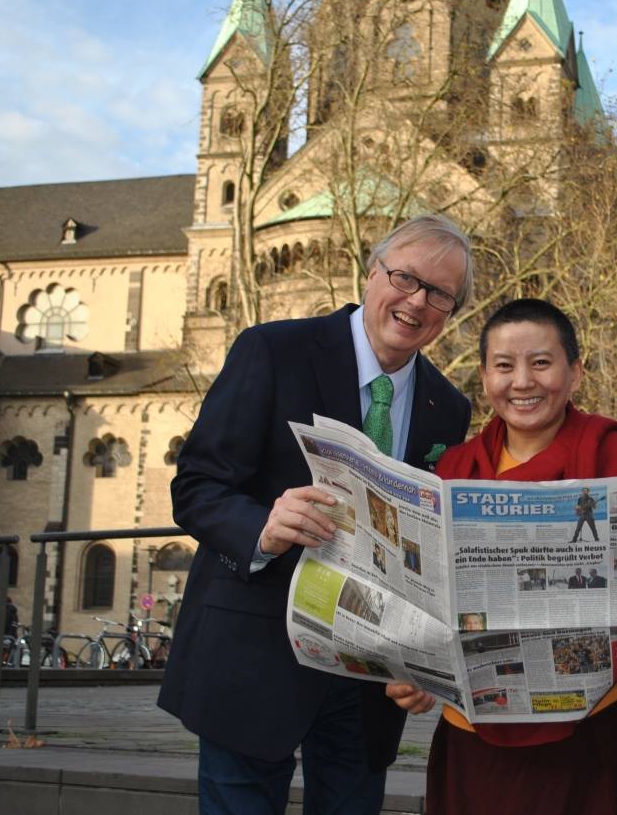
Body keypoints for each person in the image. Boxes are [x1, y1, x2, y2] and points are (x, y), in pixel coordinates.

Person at [159, 214, 474, 815]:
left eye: (439, 293)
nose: (416, 302)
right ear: (371, 272)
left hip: (368, 678)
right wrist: (262, 528)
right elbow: (197, 484)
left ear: (451, 312)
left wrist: (424, 660)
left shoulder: (448, 407)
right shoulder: (272, 350)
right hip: (255, 651)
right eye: (404, 278)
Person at [387, 298, 617, 815]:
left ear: (575, 372)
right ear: (484, 376)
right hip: (473, 733)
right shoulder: (453, 470)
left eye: (541, 363)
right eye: (503, 365)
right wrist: (413, 674)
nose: (522, 382)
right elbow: (417, 599)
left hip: (594, 729)